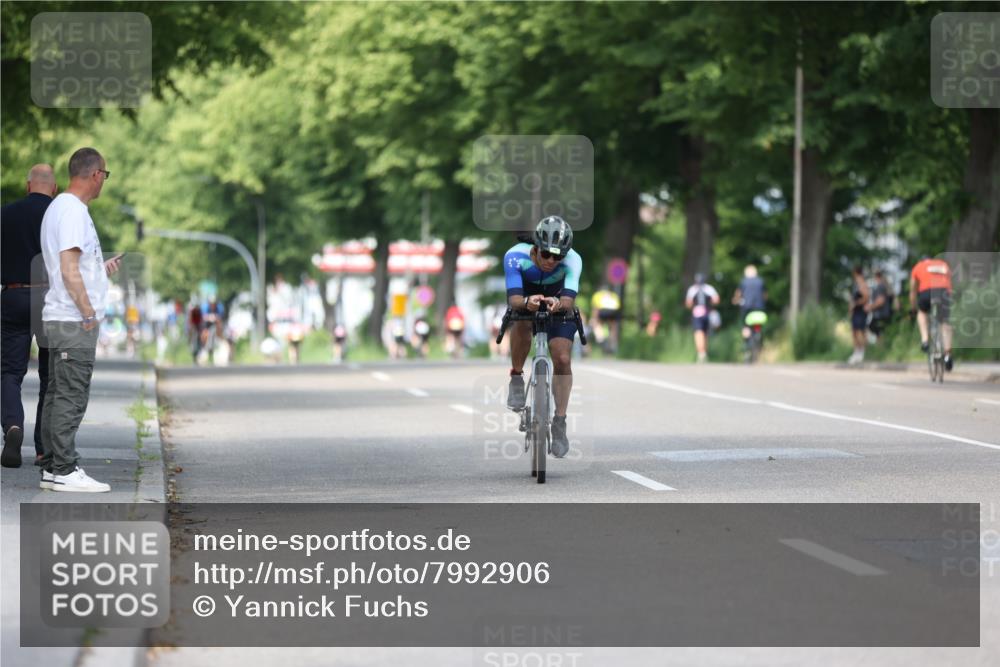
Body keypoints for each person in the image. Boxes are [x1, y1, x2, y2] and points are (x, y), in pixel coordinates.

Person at [38, 147, 121, 492]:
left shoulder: (60, 208)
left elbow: (70, 266)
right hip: (72, 319)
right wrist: (88, 313)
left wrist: (98, 272)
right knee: (71, 395)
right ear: (96, 174)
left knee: (57, 394)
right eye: (105, 175)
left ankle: (54, 469)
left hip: (59, 316)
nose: (103, 181)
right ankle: (65, 468)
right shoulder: (73, 211)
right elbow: (70, 270)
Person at [503, 216, 582, 458]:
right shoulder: (515, 256)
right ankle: (516, 377)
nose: (551, 261)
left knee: (562, 359)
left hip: (557, 306)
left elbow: (568, 301)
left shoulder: (573, 260)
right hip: (525, 301)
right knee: (521, 324)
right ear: (536, 248)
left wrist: (557, 304)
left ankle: (559, 421)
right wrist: (527, 302)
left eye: (558, 257)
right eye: (547, 254)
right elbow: (513, 299)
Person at [1, 164, 57, 468]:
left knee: (10, 373)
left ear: (27, 186)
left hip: (13, 294)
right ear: (55, 188)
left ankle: (13, 426)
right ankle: (42, 448)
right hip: (50, 297)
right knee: (49, 376)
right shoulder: (59, 214)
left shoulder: (5, 214)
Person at [909, 255, 953, 371]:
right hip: (944, 292)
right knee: (945, 322)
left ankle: (925, 340)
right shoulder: (942, 263)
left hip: (926, 292)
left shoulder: (918, 266)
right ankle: (948, 354)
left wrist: (913, 308)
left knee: (922, 312)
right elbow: (949, 282)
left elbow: (913, 291)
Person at [685, 273, 720, 362]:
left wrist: (693, 306)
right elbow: (716, 300)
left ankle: (701, 353)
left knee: (698, 333)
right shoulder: (709, 288)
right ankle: (703, 352)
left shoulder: (692, 289)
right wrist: (710, 304)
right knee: (705, 333)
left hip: (697, 314)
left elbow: (688, 303)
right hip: (707, 313)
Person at [731, 264, 767, 344]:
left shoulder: (743, 282)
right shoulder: (761, 281)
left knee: (745, 325)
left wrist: (735, 300)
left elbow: (738, 294)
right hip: (760, 308)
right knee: (759, 325)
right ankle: (759, 336)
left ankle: (747, 345)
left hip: (747, 308)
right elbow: (765, 295)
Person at [848, 266, 870, 365]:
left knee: (860, 331)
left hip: (861, 311)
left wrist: (856, 303)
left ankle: (862, 352)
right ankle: (856, 352)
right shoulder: (856, 284)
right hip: (856, 312)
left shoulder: (862, 284)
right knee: (854, 332)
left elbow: (866, 297)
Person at [590, 284, 621, 354]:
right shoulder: (614, 295)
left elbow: (596, 309)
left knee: (598, 323)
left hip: (603, 310)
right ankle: (613, 342)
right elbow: (618, 307)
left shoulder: (597, 295)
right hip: (614, 311)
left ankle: (601, 338)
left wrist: (594, 319)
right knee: (613, 327)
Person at [867, 270, 894, 341]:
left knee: (873, 327)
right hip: (885, 313)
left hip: (881, 314)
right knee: (880, 331)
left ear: (876, 277)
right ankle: (883, 346)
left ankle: (882, 347)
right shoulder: (885, 286)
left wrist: (870, 307)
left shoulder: (880, 286)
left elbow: (880, 301)